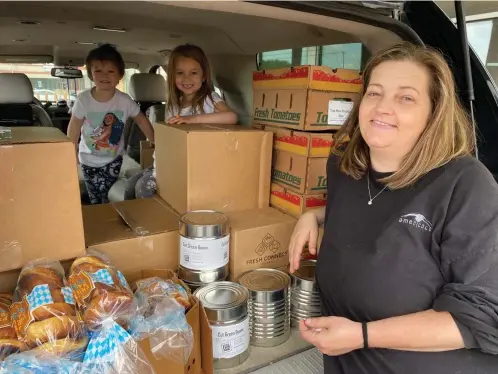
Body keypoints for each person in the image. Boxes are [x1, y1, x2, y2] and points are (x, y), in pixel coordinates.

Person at [288, 42, 498, 374]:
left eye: (406, 98)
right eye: (375, 93)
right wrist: (312, 215)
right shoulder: (344, 164)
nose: (383, 108)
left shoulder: (466, 185)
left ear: (434, 111)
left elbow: (482, 317)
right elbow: (372, 213)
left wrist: (362, 335)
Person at [124, 43, 237, 200]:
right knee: (130, 185)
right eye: (180, 73)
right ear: (172, 76)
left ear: (204, 76)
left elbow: (231, 117)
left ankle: (153, 223)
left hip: (192, 166)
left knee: (143, 188)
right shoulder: (174, 104)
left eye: (194, 73)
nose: (186, 78)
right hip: (168, 162)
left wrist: (193, 119)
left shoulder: (210, 99)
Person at [68, 44, 154, 205]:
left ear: (120, 75)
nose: (104, 75)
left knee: (107, 194)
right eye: (98, 70)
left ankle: (107, 215)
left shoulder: (124, 100)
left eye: (110, 71)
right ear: (91, 74)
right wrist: (69, 152)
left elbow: (141, 120)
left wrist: (154, 139)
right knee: (95, 196)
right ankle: (98, 216)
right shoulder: (83, 100)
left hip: (113, 159)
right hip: (87, 159)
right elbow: (74, 127)